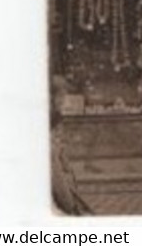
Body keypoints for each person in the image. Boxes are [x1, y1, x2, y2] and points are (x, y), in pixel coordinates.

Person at [50, 75, 93, 215]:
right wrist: (71, 206)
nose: (64, 102)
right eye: (61, 96)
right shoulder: (49, 127)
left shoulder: (55, 119)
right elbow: (58, 180)